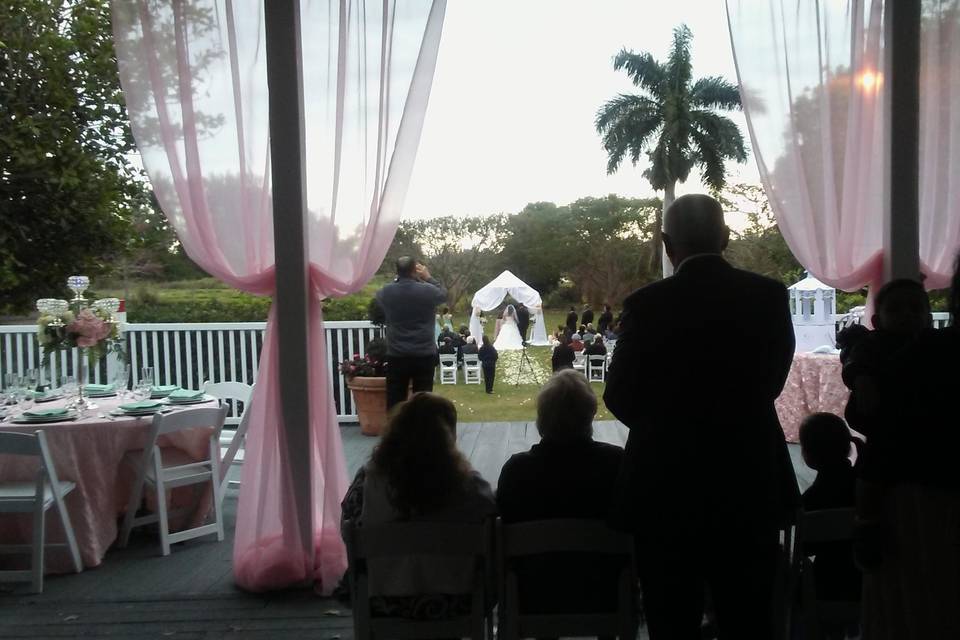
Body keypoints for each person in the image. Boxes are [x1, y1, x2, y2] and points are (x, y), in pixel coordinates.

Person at [604, 194, 798, 639]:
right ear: (726, 238)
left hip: (665, 485)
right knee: (748, 615)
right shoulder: (767, 297)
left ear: (667, 244)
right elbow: (772, 382)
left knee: (672, 616)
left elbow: (619, 394)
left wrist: (665, 429)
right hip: (750, 477)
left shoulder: (647, 304)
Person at [841, 279, 960, 639]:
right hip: (916, 479)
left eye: (916, 309)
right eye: (897, 309)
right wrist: (860, 376)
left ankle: (866, 525)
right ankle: (866, 524)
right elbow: (858, 359)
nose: (907, 316)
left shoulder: (930, 349)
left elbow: (863, 415)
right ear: (878, 320)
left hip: (907, 475)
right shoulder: (877, 348)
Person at [340, 393, 496, 617]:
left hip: (382, 601)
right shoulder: (470, 486)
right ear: (448, 433)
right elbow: (491, 521)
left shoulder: (368, 482)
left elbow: (349, 531)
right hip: (457, 602)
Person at [497, 370, 627, 615]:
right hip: (605, 594)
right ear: (589, 415)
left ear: (542, 417)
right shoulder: (615, 464)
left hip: (533, 596)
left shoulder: (517, 472)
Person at [798, 413, 861, 620]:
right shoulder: (862, 488)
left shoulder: (811, 498)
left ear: (809, 454)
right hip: (864, 581)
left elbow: (804, 548)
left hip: (826, 587)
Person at [376, 257, 448, 410]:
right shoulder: (428, 290)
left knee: (395, 400)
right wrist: (428, 277)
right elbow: (443, 295)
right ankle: (420, 432)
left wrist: (398, 279)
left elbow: (380, 299)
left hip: (397, 355)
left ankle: (396, 432)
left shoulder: (386, 291)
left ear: (397, 271)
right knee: (422, 401)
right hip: (423, 354)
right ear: (415, 270)